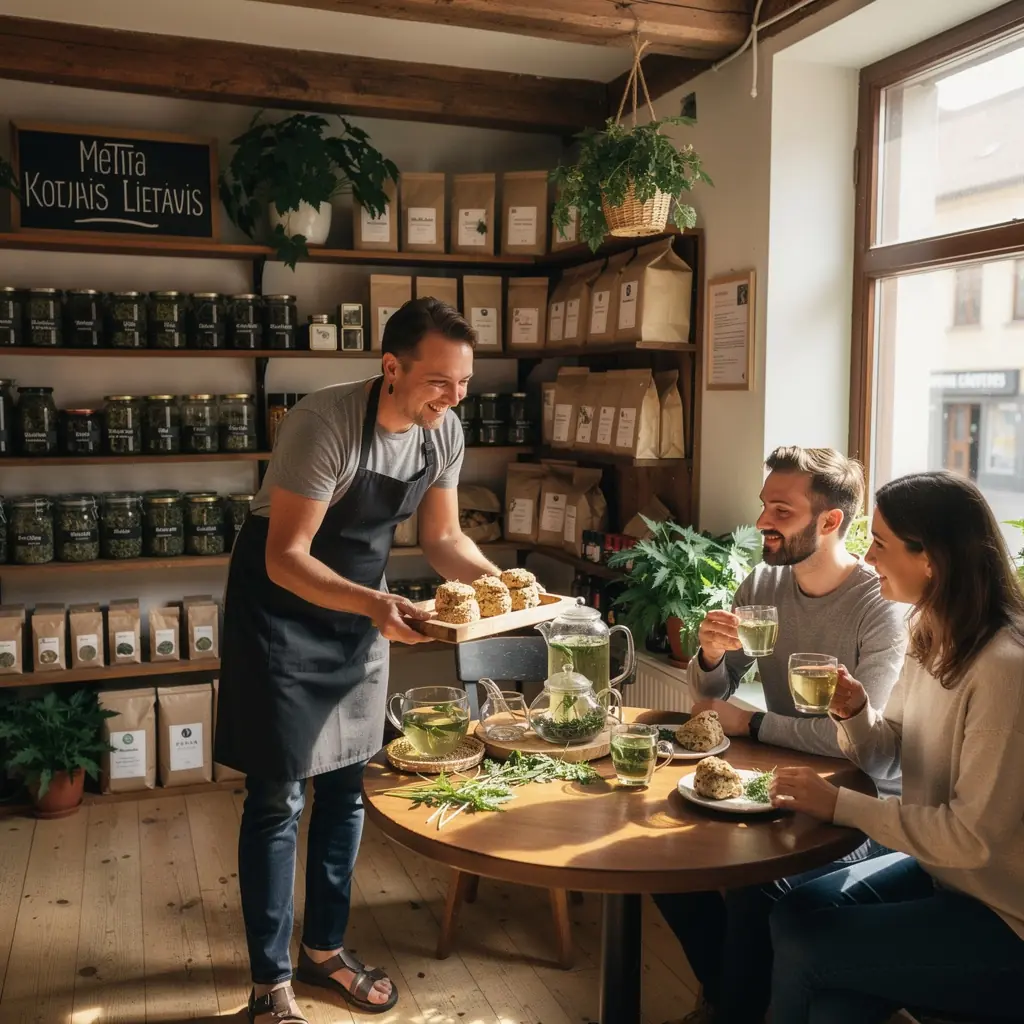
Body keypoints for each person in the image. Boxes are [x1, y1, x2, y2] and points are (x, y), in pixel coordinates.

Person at [214, 298, 505, 1024]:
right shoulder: (325, 423)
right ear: (391, 368)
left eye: (464, 382)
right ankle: (268, 985)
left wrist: (499, 585)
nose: (454, 396)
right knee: (278, 799)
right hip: (281, 609)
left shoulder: (444, 432)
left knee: (348, 788)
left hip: (356, 610)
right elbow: (285, 556)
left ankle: (324, 952)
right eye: (440, 381)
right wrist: (378, 607)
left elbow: (442, 541)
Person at [654, 446, 908, 1024]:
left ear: (830, 521)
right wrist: (711, 653)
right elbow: (712, 692)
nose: (763, 521)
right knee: (667, 865)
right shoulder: (763, 583)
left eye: (781, 510)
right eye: (764, 505)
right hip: (779, 784)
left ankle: (731, 1009)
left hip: (863, 802)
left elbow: (859, 740)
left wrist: (756, 723)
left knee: (758, 888)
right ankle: (729, 1000)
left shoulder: (879, 604)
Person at [768, 471, 1024, 1023]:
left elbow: (973, 841)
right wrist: (856, 713)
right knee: (797, 916)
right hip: (947, 878)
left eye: (880, 542)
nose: (867, 553)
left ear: (930, 558)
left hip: (1004, 918)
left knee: (814, 950)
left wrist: (839, 804)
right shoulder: (931, 631)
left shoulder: (1005, 670)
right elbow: (891, 754)